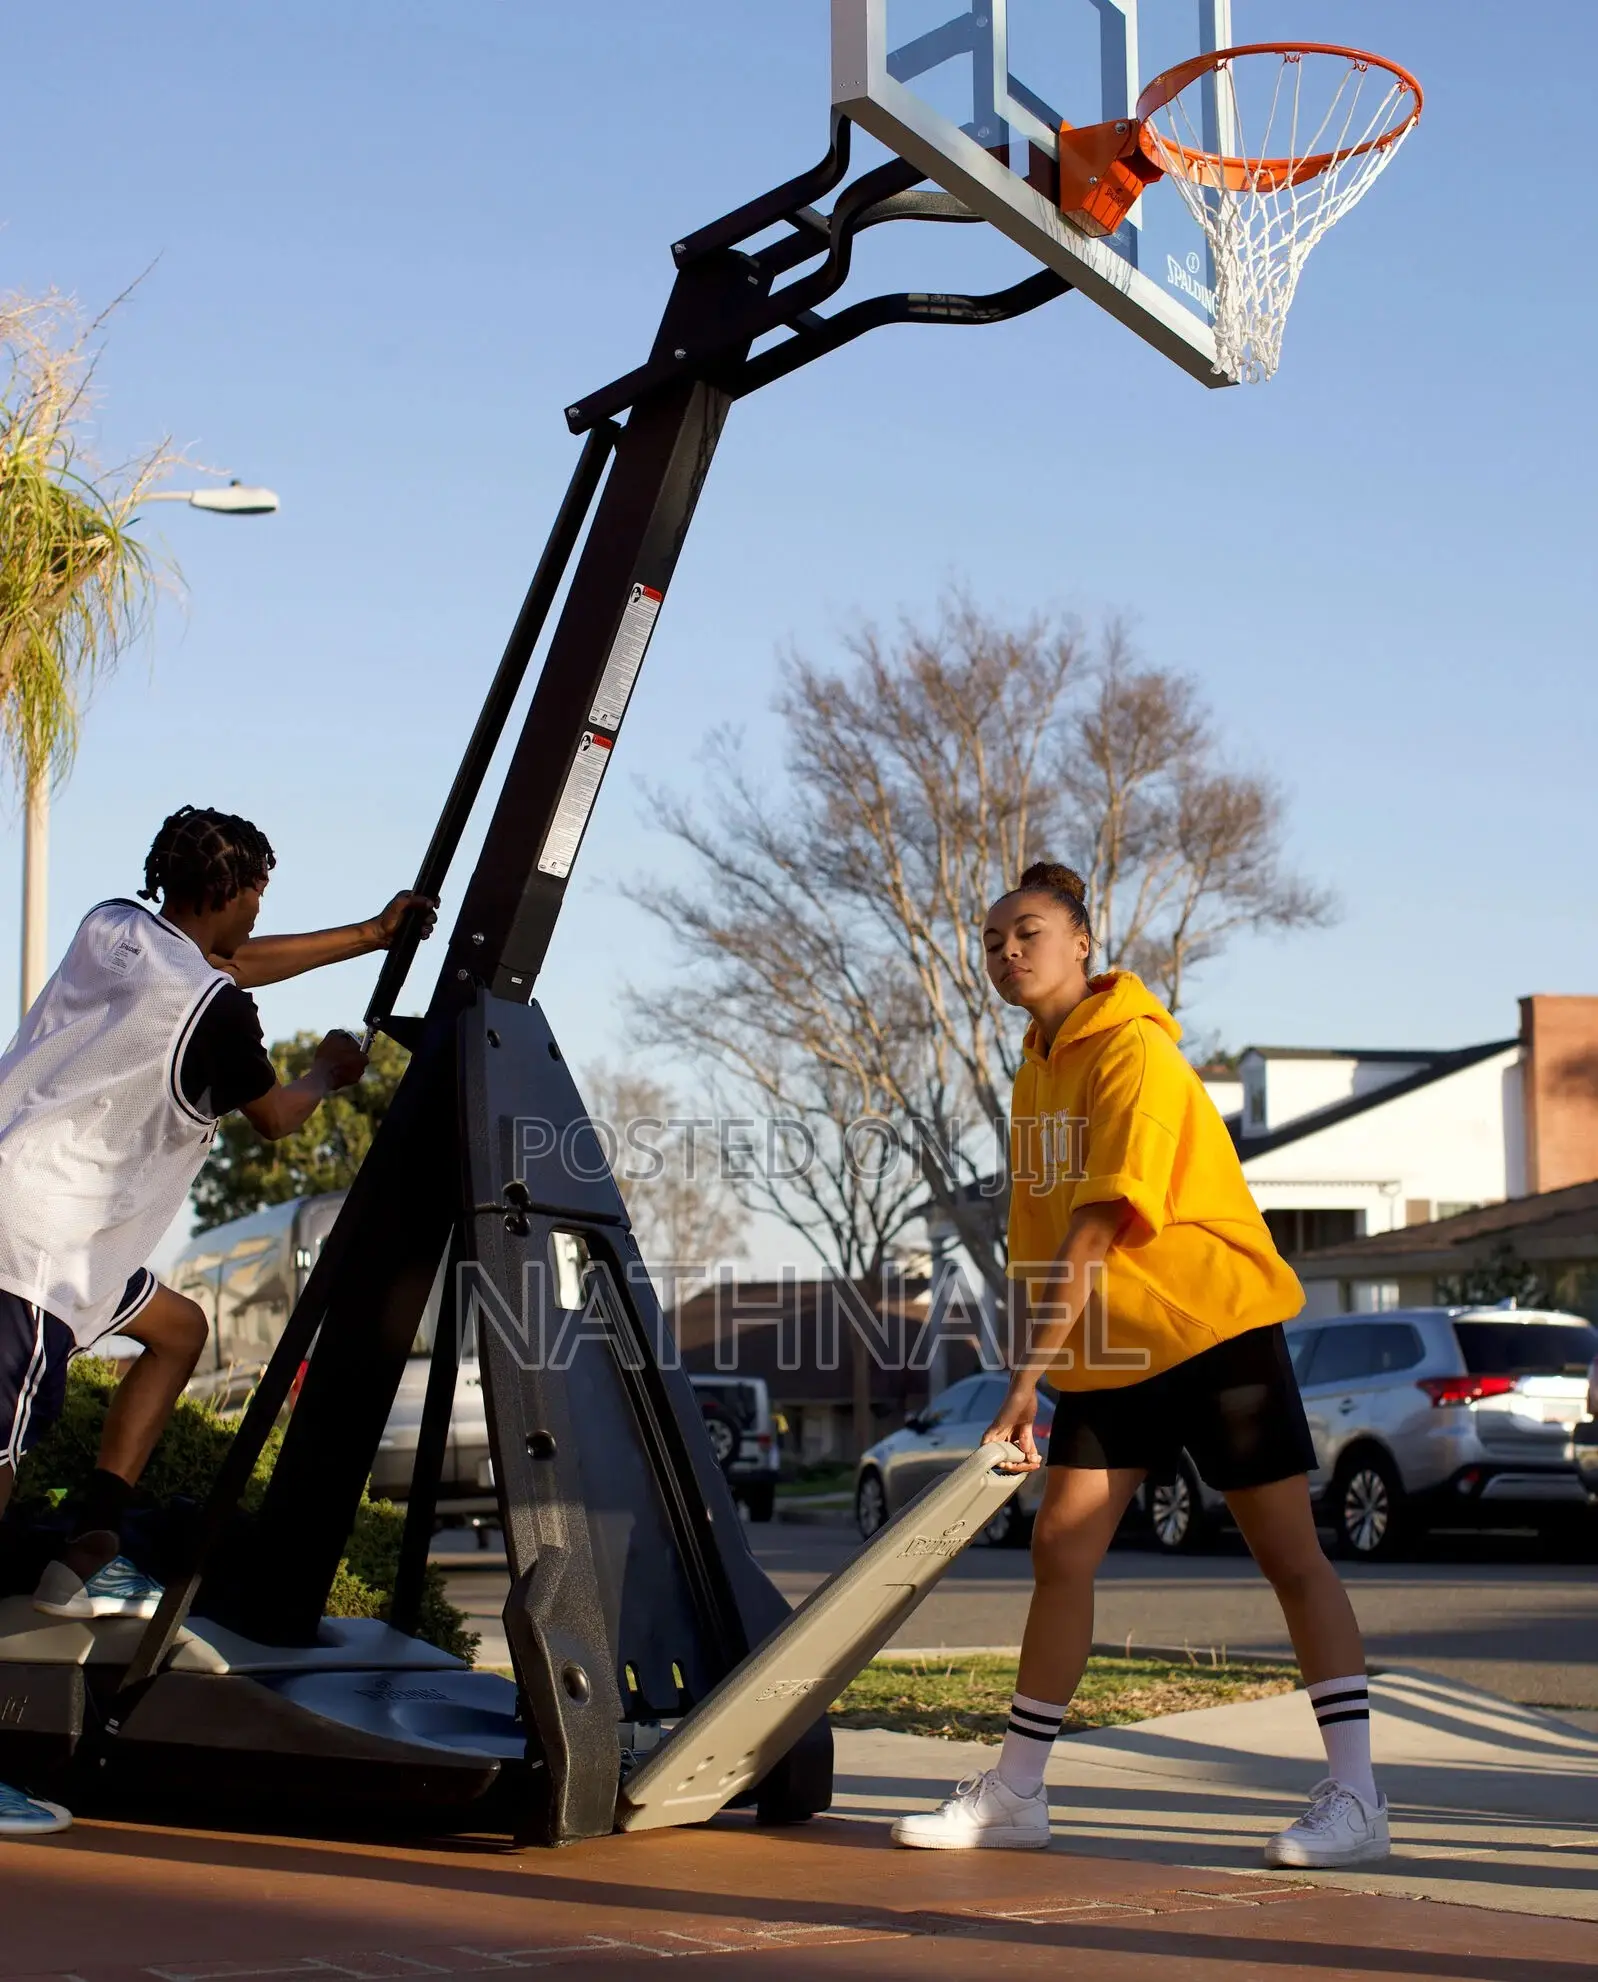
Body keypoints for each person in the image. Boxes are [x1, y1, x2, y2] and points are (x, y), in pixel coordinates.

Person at [891, 861, 1386, 1870]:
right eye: (991, 941)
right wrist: (1044, 1360)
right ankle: (1017, 1793)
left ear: (1081, 939)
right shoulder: (1035, 1072)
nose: (1006, 953)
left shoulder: (1134, 1055)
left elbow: (1091, 1228)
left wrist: (1023, 1379)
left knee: (1289, 1556)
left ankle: (1357, 1797)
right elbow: (1039, 1247)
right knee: (1059, 1553)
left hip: (1213, 1330)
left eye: (1026, 931)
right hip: (1109, 1351)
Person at [0, 804, 436, 1837]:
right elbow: (276, 1117)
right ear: (227, 892)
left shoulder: (115, 926)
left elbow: (224, 970)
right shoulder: (216, 1012)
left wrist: (372, 936)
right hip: (35, 1249)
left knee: (178, 1332)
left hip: (72, 1236)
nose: (256, 913)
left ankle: (88, 1543)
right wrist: (330, 1069)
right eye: (254, 897)